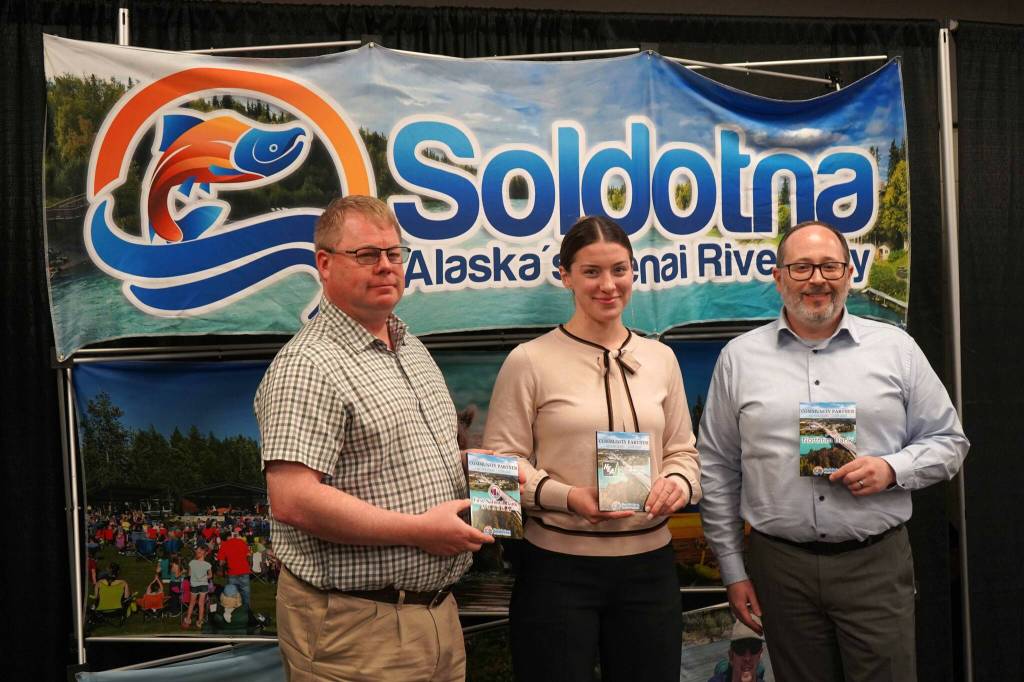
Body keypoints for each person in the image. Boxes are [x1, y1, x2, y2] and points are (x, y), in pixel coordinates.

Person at [699, 221, 969, 682]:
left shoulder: (896, 349)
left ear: (849, 273)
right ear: (778, 275)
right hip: (780, 572)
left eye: (829, 266)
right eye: (801, 267)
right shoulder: (739, 359)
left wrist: (892, 467)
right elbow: (717, 468)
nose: (817, 279)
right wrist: (731, 569)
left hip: (875, 565)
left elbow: (949, 442)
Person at [254, 195, 493, 681]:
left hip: (436, 619)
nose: (386, 266)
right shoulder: (308, 366)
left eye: (394, 253)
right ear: (324, 263)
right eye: (366, 255)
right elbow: (293, 500)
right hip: (356, 631)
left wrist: (486, 468)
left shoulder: (411, 347)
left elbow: (430, 457)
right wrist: (419, 531)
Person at [483, 215, 701, 682]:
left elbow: (685, 452)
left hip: (650, 570)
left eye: (619, 270)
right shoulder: (528, 360)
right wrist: (568, 497)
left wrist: (679, 483)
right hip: (556, 573)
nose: (608, 285)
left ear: (634, 273)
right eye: (591, 272)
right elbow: (492, 479)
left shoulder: (661, 358)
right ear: (565, 275)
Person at [217, 526, 252, 609]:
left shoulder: (224, 545)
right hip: (244, 571)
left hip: (232, 572)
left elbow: (221, 562)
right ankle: (246, 612)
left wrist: (225, 564)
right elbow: (248, 556)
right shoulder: (242, 542)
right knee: (245, 593)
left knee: (232, 594)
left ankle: (234, 611)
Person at [183, 545, 212, 630]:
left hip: (194, 585)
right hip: (203, 585)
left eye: (198, 551)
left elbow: (189, 574)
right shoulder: (208, 564)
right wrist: (204, 577)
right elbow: (210, 575)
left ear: (203, 553)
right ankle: (199, 622)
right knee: (201, 604)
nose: (196, 552)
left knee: (192, 603)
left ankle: (188, 620)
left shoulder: (192, 562)